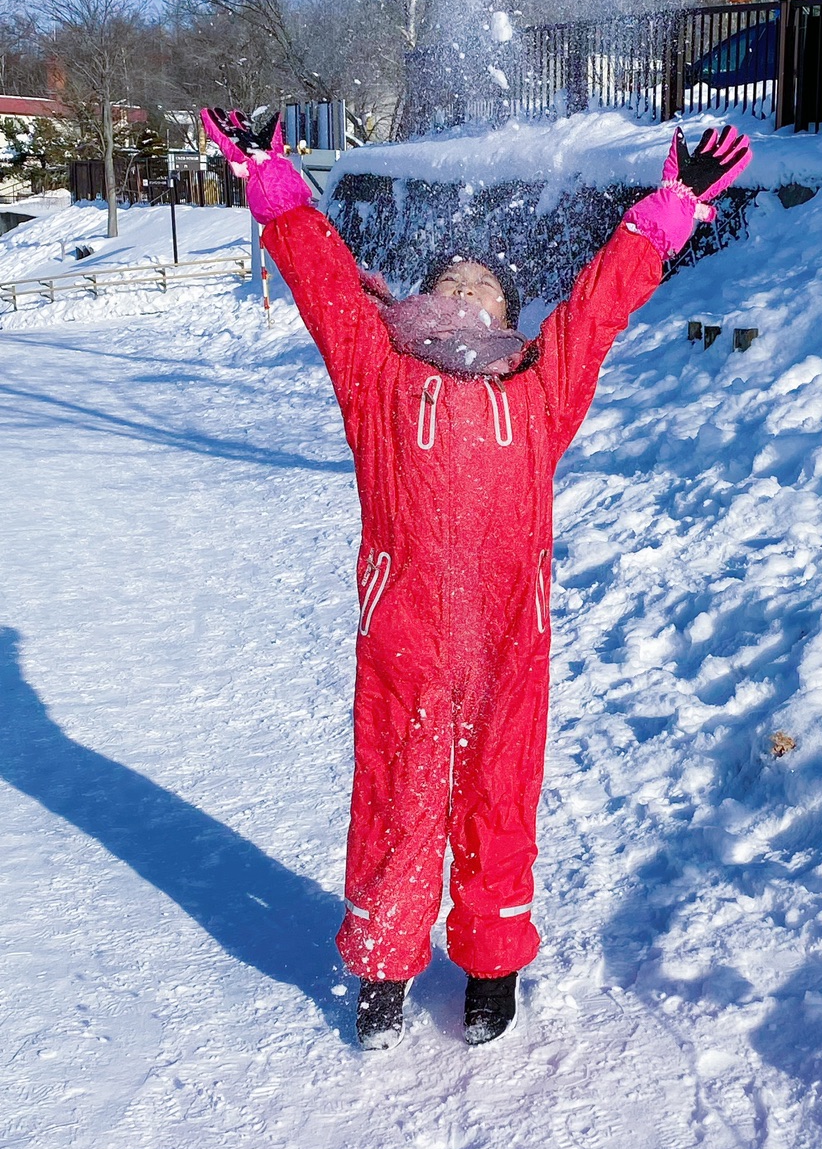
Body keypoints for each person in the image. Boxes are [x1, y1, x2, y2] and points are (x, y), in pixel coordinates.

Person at [202, 109, 752, 1049]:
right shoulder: (378, 376)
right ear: (417, 305)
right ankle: (383, 965)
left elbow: (599, 305)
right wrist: (275, 185)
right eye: (449, 279)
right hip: (406, 631)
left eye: (486, 285)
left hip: (509, 632)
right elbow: (327, 285)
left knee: (502, 793)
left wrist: (671, 207)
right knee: (398, 794)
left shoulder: (540, 388)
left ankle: (492, 964)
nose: (466, 286)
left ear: (509, 316)